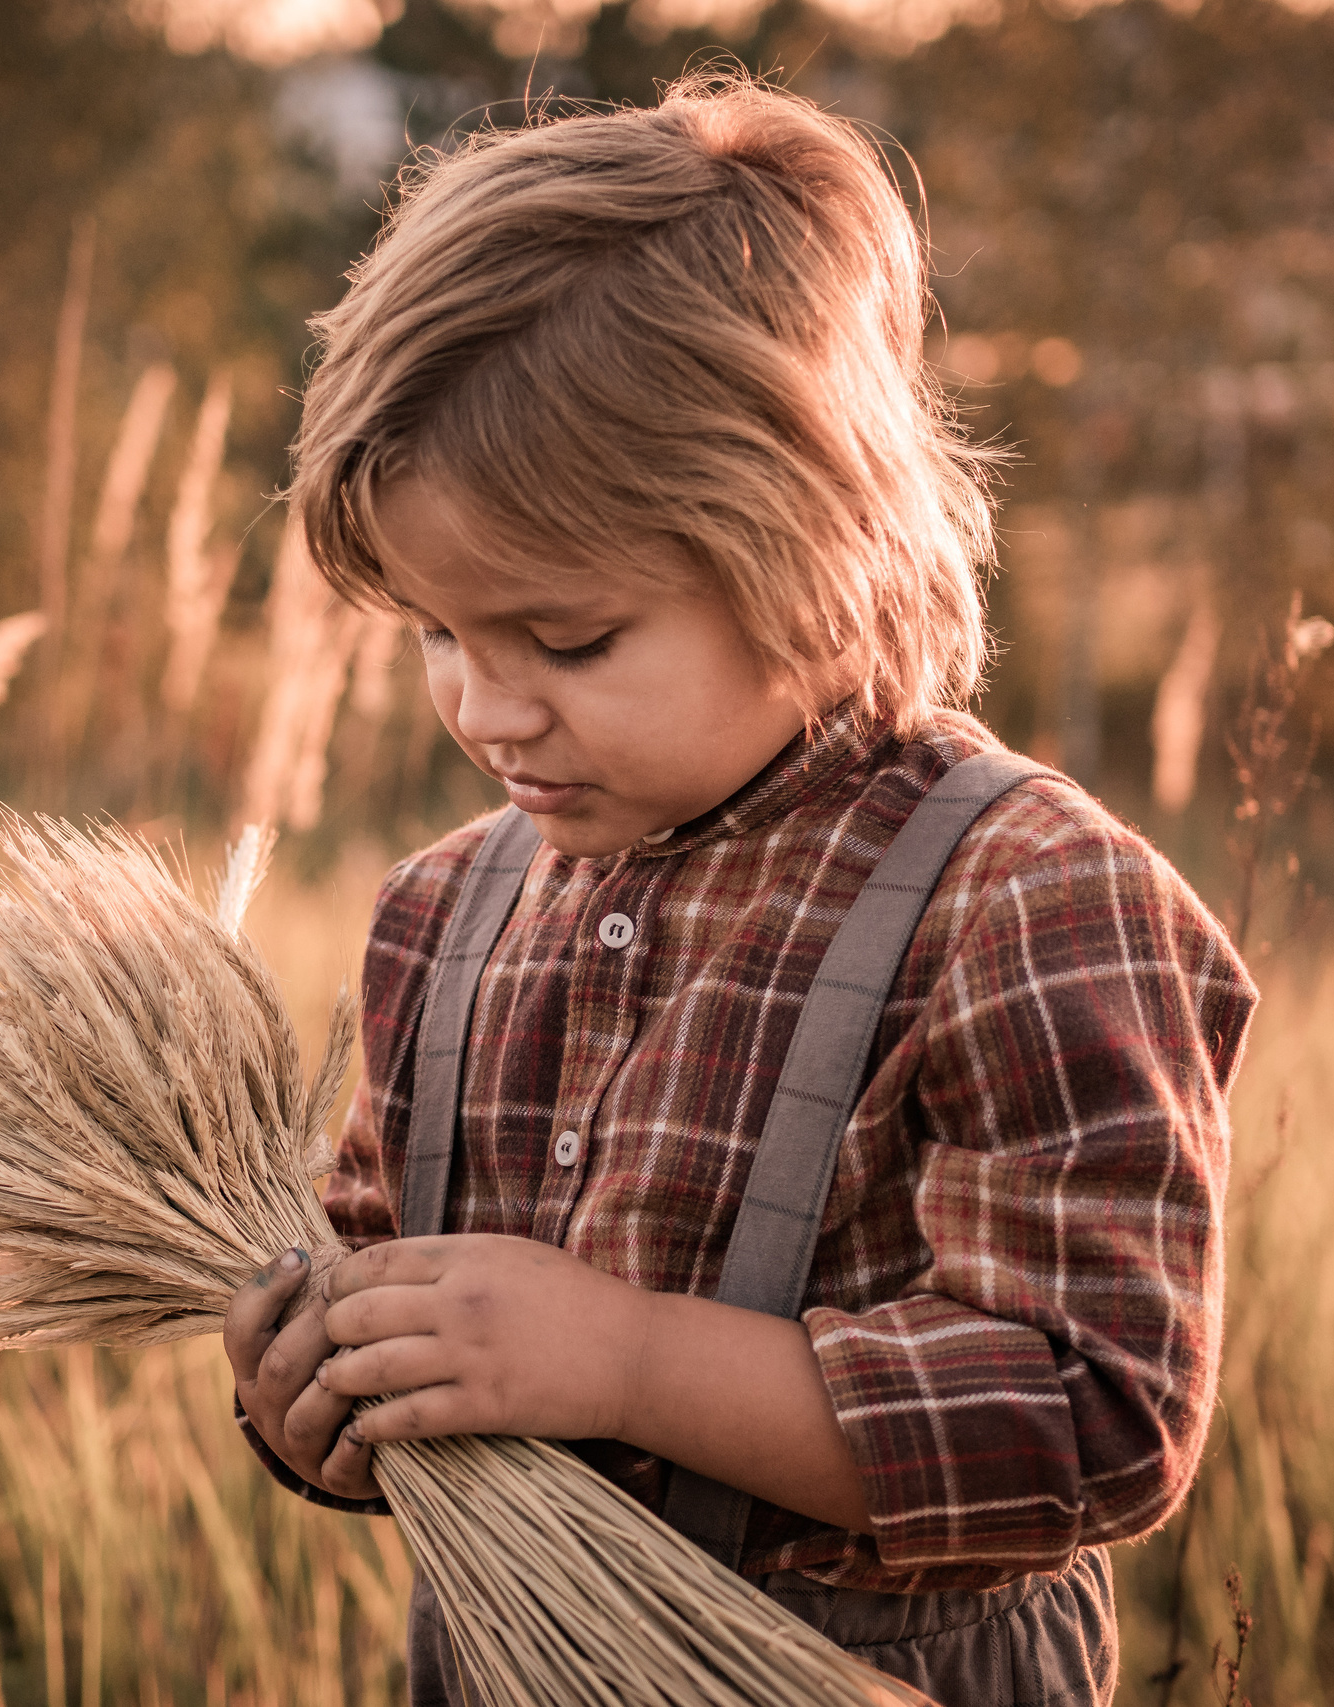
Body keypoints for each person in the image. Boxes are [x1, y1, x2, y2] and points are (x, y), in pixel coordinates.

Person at [221, 73, 1255, 1707]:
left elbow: (1095, 1419)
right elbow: (397, 1297)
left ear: (813, 548)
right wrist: (326, 1404)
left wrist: (625, 1363)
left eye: (566, 641)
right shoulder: (443, 915)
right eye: (436, 635)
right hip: (504, 1660)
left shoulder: (1025, 902)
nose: (485, 710)